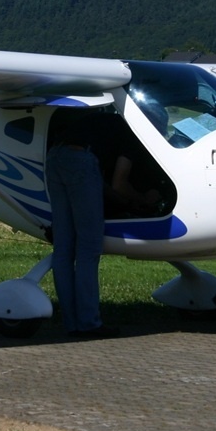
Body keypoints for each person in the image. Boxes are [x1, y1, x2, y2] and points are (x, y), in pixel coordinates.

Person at [45, 112, 136, 339]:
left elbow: (100, 182)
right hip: (81, 158)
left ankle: (71, 323)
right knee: (88, 247)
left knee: (64, 247)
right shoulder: (133, 135)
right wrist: (143, 200)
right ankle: (89, 323)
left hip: (55, 155)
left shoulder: (104, 121)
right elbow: (118, 184)